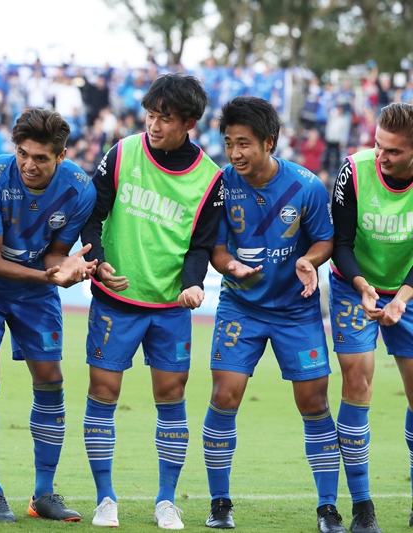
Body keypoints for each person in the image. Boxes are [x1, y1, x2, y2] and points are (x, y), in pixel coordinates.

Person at [80, 73, 223, 529]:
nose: (154, 125)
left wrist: (194, 283)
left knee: (171, 395)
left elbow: (201, 245)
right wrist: (99, 261)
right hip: (115, 300)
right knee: (103, 393)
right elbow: (92, 216)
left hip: (170, 308)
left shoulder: (210, 178)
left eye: (166, 118)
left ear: (190, 123)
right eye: (150, 115)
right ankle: (105, 499)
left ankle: (166, 500)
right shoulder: (122, 153)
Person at [202, 96, 344, 533]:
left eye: (244, 143)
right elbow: (217, 250)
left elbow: (325, 240)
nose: (235, 153)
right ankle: (219, 504)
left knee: (314, 401)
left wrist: (309, 261)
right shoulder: (221, 185)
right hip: (240, 306)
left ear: (270, 141)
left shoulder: (307, 186)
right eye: (229, 143)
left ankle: (327, 508)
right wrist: (231, 266)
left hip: (295, 310)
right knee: (225, 395)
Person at [0, 108, 97, 523]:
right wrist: (48, 276)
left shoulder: (79, 189)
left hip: (36, 292)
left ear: (62, 156)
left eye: (40, 158)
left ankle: (43, 495)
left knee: (51, 380)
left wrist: (65, 269)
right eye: (23, 154)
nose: (29, 165)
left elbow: (56, 252)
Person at [330, 102, 413, 533]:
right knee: (357, 382)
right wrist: (364, 287)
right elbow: (341, 242)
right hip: (353, 283)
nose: (381, 155)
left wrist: (402, 298)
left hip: (407, 287)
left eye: (394, 151)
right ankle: (363, 507)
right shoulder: (353, 171)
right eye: (378, 145)